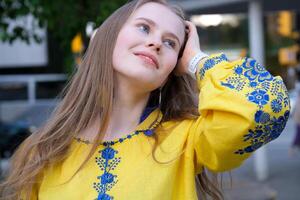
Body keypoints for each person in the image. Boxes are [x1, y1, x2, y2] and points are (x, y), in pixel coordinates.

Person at [0, 0, 290, 199]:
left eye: (170, 43)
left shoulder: (187, 141)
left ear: (172, 68)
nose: (155, 42)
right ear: (106, 37)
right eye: (143, 27)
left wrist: (196, 61)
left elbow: (266, 106)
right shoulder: (42, 150)